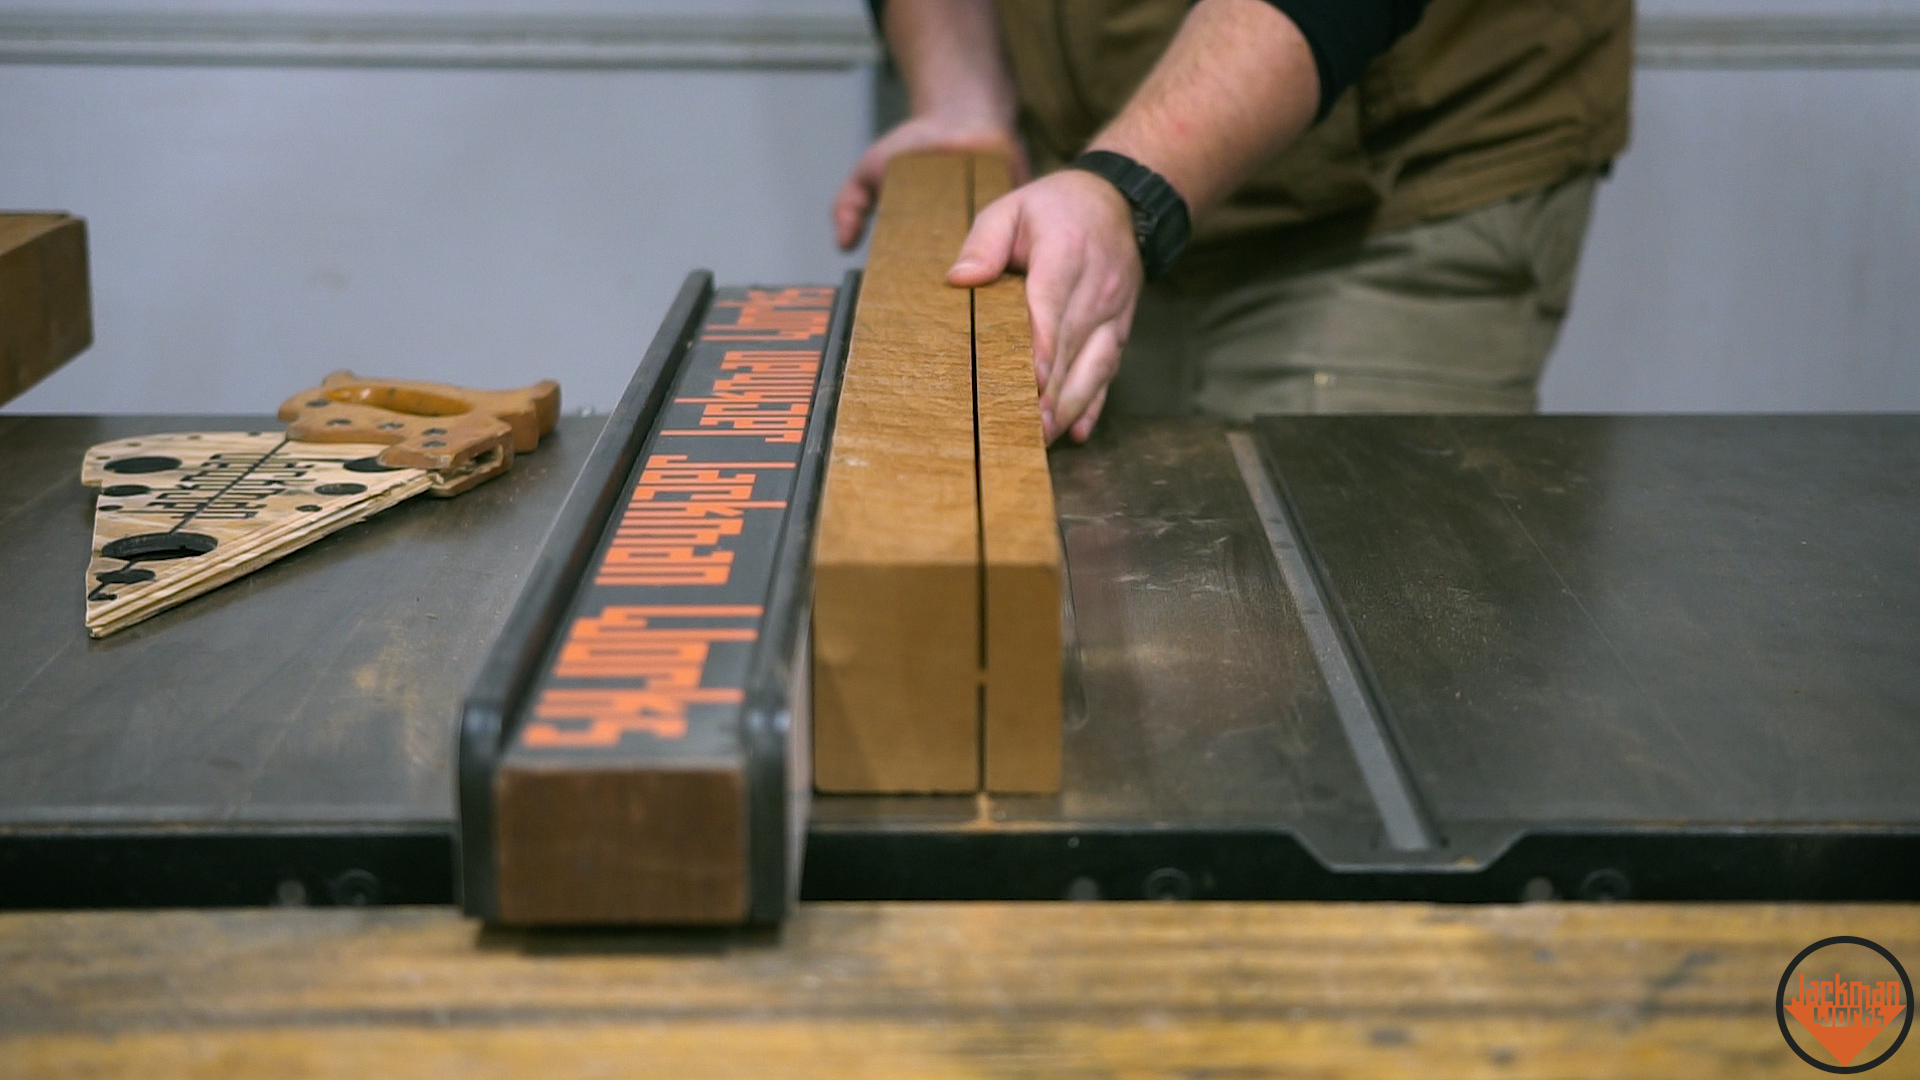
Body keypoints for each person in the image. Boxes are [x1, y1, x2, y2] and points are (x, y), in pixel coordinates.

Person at [834, 0, 1632, 443]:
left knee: (1329, 666)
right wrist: (961, 91)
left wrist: (1131, 185)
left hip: (1395, 190)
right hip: (1084, 179)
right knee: (1088, 657)